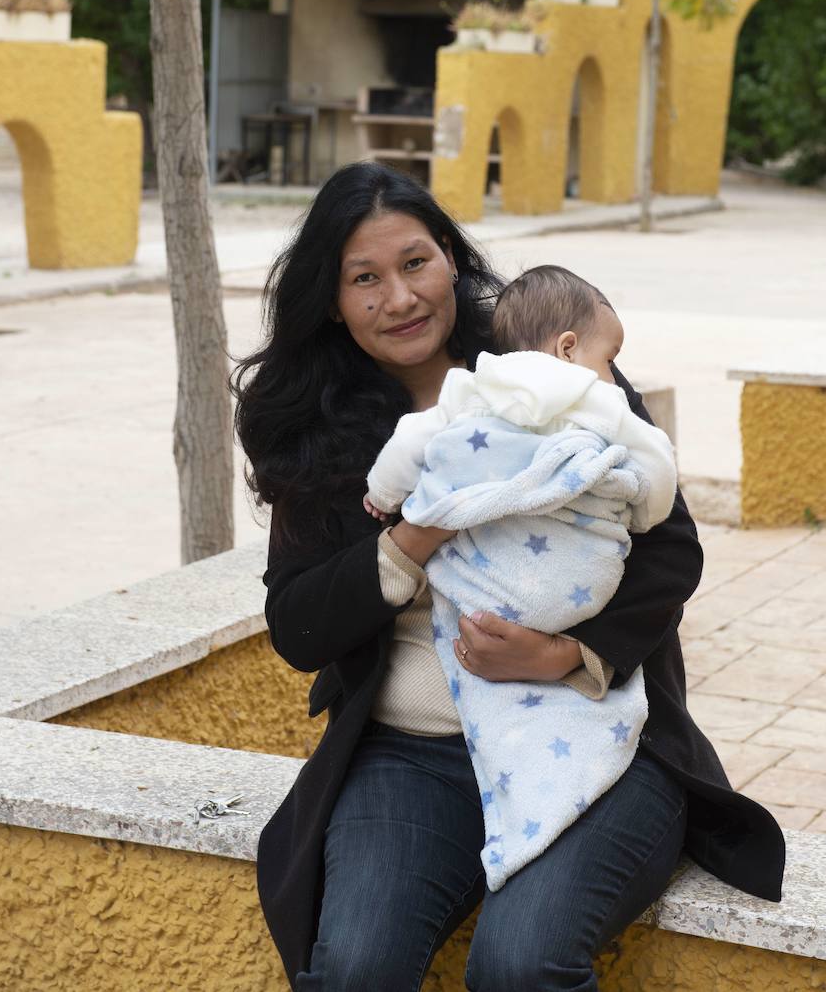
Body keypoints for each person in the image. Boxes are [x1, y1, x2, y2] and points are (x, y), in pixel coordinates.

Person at [233, 162, 784, 992]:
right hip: (410, 758)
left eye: (415, 263)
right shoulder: (320, 428)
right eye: (364, 279)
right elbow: (299, 628)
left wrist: (568, 656)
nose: (399, 298)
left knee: (519, 966)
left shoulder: (544, 354)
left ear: (450, 257)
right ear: (334, 299)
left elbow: (670, 548)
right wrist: (413, 536)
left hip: (593, 739)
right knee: (352, 970)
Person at [361, 266, 679, 888]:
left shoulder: (474, 386)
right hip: (579, 581)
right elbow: (654, 463)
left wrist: (383, 494)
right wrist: (641, 507)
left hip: (489, 595)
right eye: (608, 357)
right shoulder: (598, 399)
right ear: (567, 347)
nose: (612, 373)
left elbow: (412, 439)